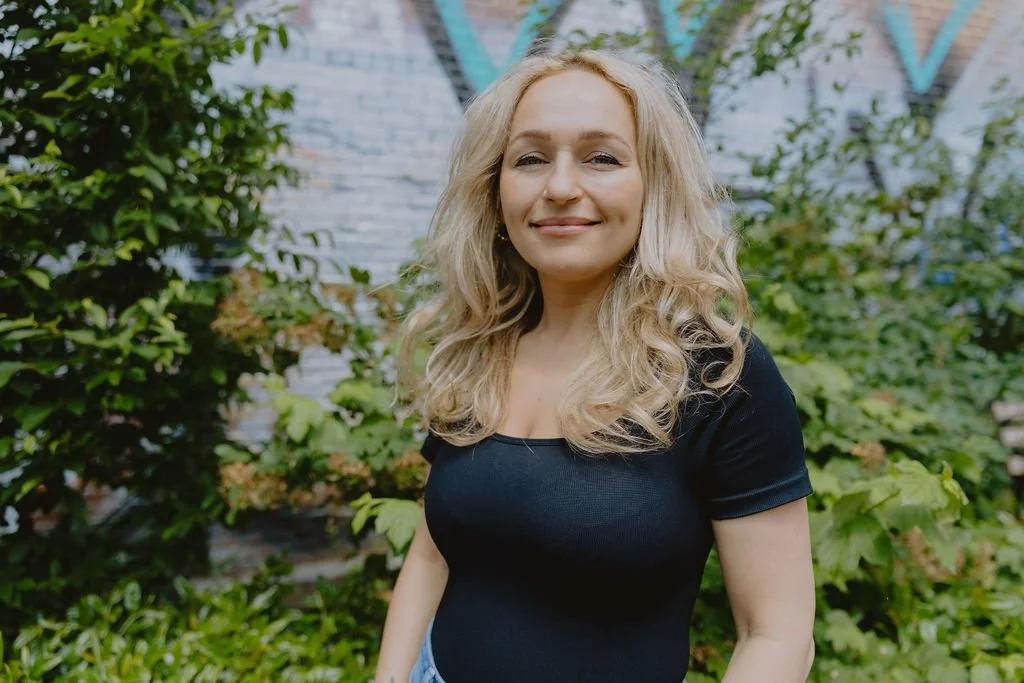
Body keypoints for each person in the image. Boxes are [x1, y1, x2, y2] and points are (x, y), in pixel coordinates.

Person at [373, 49, 815, 683]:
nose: (559, 186)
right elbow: (432, 557)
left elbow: (778, 633)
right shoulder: (480, 347)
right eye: (529, 158)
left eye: (601, 157)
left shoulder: (719, 373)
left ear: (652, 185)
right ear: (496, 193)